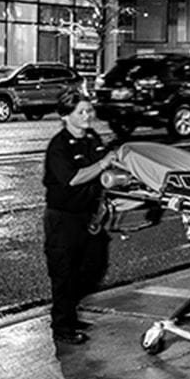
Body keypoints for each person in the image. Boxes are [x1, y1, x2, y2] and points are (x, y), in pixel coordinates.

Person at [43, 88, 114, 344]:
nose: (88, 115)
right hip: (63, 219)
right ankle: (63, 326)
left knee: (94, 268)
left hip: (89, 216)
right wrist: (102, 164)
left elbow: (105, 168)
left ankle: (69, 314)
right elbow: (73, 179)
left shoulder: (92, 137)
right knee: (64, 273)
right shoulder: (59, 146)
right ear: (65, 116)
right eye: (81, 112)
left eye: (89, 110)